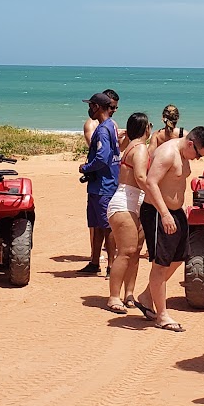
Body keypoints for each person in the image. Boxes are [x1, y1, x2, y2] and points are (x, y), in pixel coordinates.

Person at [137, 124, 204, 332]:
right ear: (191, 144)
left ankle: (146, 296)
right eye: (198, 154)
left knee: (179, 258)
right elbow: (151, 183)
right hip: (157, 212)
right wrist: (164, 214)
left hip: (176, 212)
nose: (197, 159)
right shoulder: (168, 153)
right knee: (160, 264)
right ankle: (162, 315)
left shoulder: (185, 151)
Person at [103, 112, 151, 312]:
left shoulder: (133, 147)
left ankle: (129, 294)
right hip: (126, 203)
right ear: (145, 128)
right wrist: (157, 197)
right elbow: (140, 177)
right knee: (126, 252)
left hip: (134, 202)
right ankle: (114, 296)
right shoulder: (139, 149)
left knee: (134, 251)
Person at [79, 93, 119, 274]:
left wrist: (86, 167)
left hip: (104, 185)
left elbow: (102, 158)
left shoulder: (103, 130)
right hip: (101, 184)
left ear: (98, 107)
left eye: (92, 105)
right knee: (97, 224)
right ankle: (94, 262)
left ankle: (111, 266)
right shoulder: (110, 126)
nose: (90, 109)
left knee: (106, 226)